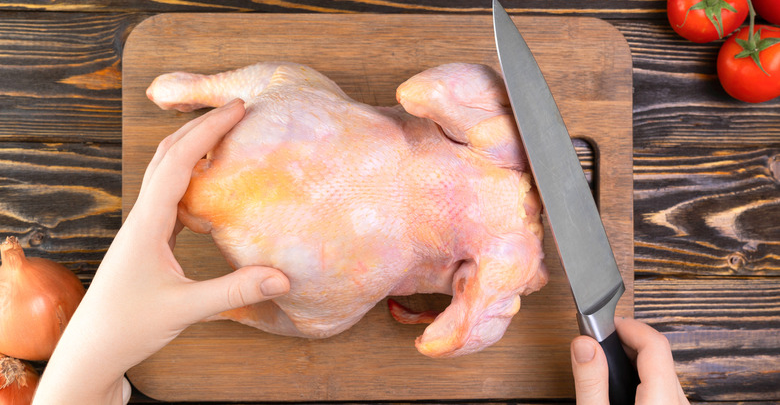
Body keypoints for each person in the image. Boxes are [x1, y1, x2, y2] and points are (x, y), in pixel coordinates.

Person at [32, 100, 689, 405]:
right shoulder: (510, 250)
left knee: (290, 100)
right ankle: (238, 307)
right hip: (319, 262)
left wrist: (84, 360)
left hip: (301, 151)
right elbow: (448, 338)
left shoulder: (498, 164)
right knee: (320, 318)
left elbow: (427, 90)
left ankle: (207, 89)